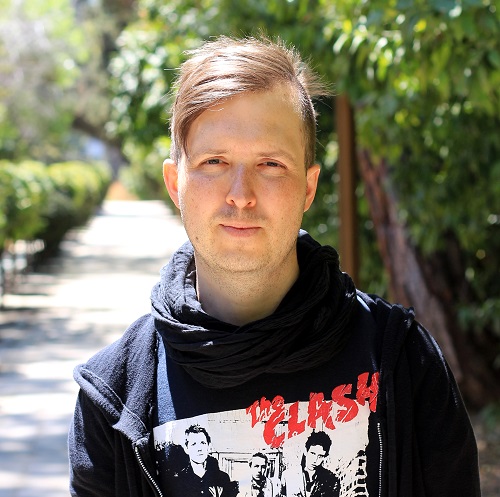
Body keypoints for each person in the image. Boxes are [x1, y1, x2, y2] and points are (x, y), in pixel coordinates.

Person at [68, 35, 480, 497]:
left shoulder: (403, 362)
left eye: (270, 164)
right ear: (174, 183)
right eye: (214, 161)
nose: (240, 194)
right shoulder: (113, 398)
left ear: (308, 187)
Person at [170, 424, 238, 497]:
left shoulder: (222, 478)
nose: (199, 449)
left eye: (203, 443)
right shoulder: (179, 481)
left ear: (208, 446)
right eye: (194, 444)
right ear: (186, 449)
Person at [281, 432, 340, 497]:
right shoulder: (288, 476)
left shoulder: (332, 480)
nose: (315, 460)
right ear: (305, 451)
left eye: (320, 456)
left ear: (324, 457)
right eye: (313, 453)